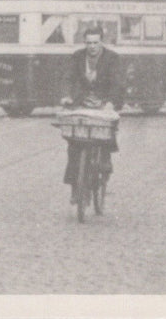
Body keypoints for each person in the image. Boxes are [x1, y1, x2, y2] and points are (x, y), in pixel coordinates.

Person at [60, 27, 124, 201]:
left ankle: (105, 168)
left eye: (95, 42)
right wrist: (66, 96)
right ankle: (75, 186)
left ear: (101, 42)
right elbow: (68, 77)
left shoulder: (112, 58)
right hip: (82, 102)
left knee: (105, 136)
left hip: (103, 103)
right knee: (74, 142)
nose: (92, 46)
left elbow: (117, 83)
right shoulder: (78, 56)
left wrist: (110, 103)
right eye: (89, 43)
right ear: (84, 43)